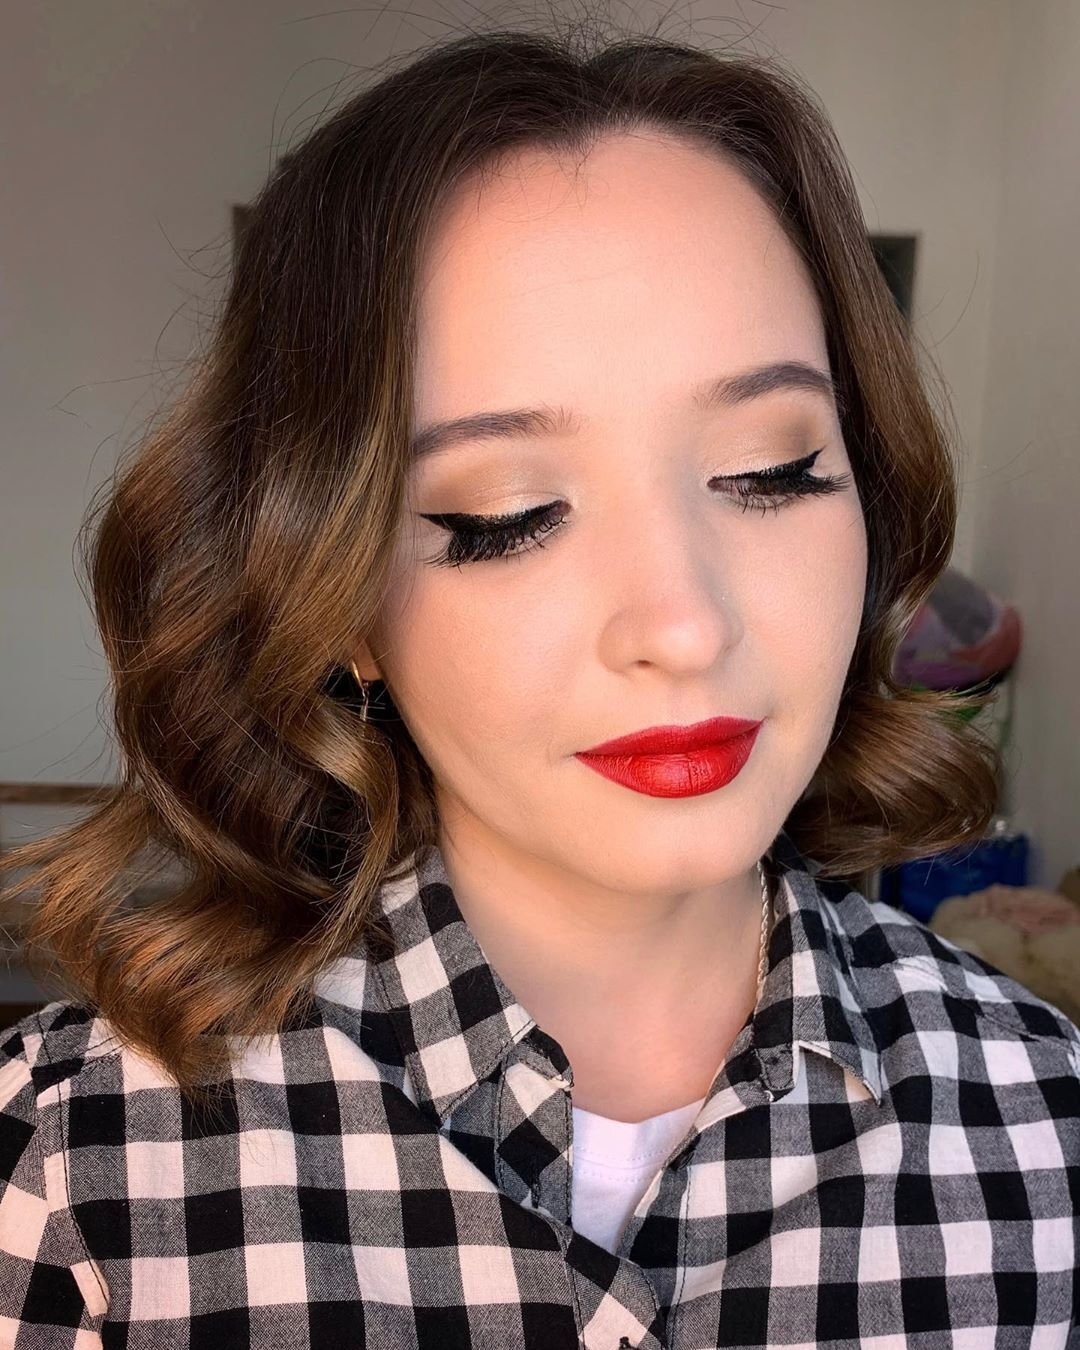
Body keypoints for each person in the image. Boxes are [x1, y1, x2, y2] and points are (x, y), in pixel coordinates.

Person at [1, 23, 1077, 1350]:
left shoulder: (1046, 1131)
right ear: (338, 596)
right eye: (507, 516)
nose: (684, 624)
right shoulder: (78, 1170)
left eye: (772, 470)